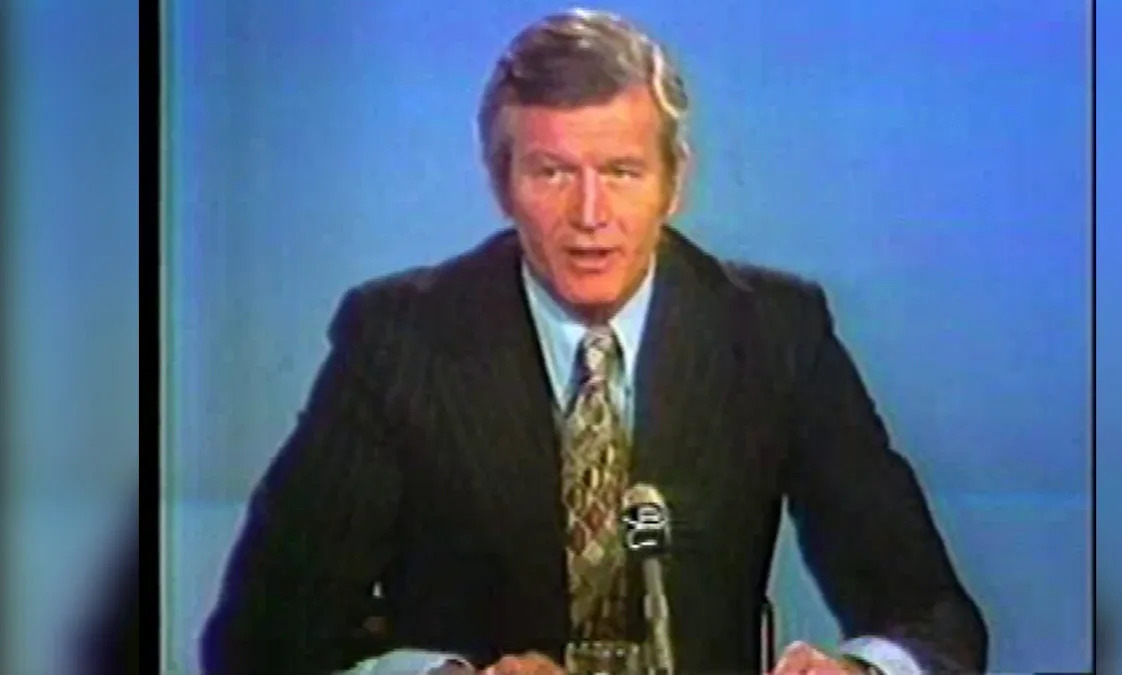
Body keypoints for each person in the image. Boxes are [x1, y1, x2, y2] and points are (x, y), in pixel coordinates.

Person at [200, 8, 986, 675]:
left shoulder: (775, 333)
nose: (589, 215)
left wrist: (862, 670)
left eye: (621, 171)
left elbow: (933, 614)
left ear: (675, 181)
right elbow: (258, 642)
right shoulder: (399, 340)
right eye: (551, 172)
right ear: (502, 181)